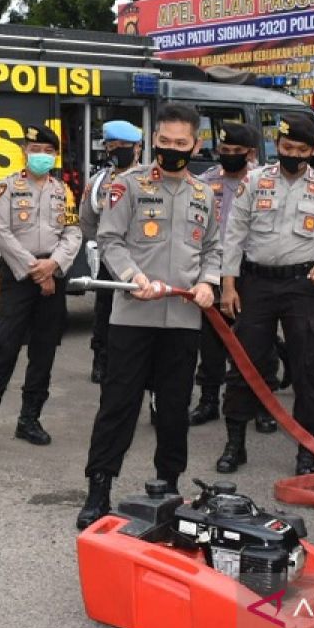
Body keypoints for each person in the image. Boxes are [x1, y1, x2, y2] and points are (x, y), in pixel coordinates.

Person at [76, 104, 221, 529]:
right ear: (153, 140)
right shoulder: (129, 186)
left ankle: (168, 486)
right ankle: (98, 489)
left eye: (181, 143)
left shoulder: (203, 193)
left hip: (182, 319)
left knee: (174, 408)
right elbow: (109, 239)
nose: (172, 149)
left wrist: (208, 281)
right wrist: (132, 275)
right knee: (118, 406)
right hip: (132, 316)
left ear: (196, 144)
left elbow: (212, 247)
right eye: (164, 142)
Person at [220, 112, 314, 476]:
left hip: (303, 285)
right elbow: (234, 234)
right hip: (256, 284)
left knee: (308, 366)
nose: (292, 154)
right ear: (276, 145)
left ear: (312, 150)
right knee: (245, 363)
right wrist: (228, 285)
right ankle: (235, 442)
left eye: (300, 149)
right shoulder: (255, 181)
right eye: (286, 147)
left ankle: (307, 450)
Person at [0, 124, 83, 454]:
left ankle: (29, 419)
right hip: (19, 276)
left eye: (48, 152)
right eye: (36, 151)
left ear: (56, 156)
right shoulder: (5, 188)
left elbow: (73, 233)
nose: (42, 157)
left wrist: (53, 266)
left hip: (53, 274)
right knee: (3, 348)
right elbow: (1, 235)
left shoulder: (64, 191)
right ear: (24, 152)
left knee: (44, 351)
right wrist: (36, 270)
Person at [188, 122, 257, 426]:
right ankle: (208, 401)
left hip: (251, 270)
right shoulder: (204, 182)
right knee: (212, 339)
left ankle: (256, 404)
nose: (229, 156)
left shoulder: (261, 181)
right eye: (224, 151)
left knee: (252, 341)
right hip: (214, 270)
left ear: (250, 153)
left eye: (236, 152)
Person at [79, 120, 143, 385]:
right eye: (111, 146)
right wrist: (104, 245)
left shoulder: (149, 179)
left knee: (143, 311)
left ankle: (137, 362)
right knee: (105, 310)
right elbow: (87, 219)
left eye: (123, 146)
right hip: (110, 260)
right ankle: (101, 360)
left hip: (143, 258)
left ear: (137, 148)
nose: (116, 151)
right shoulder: (97, 183)